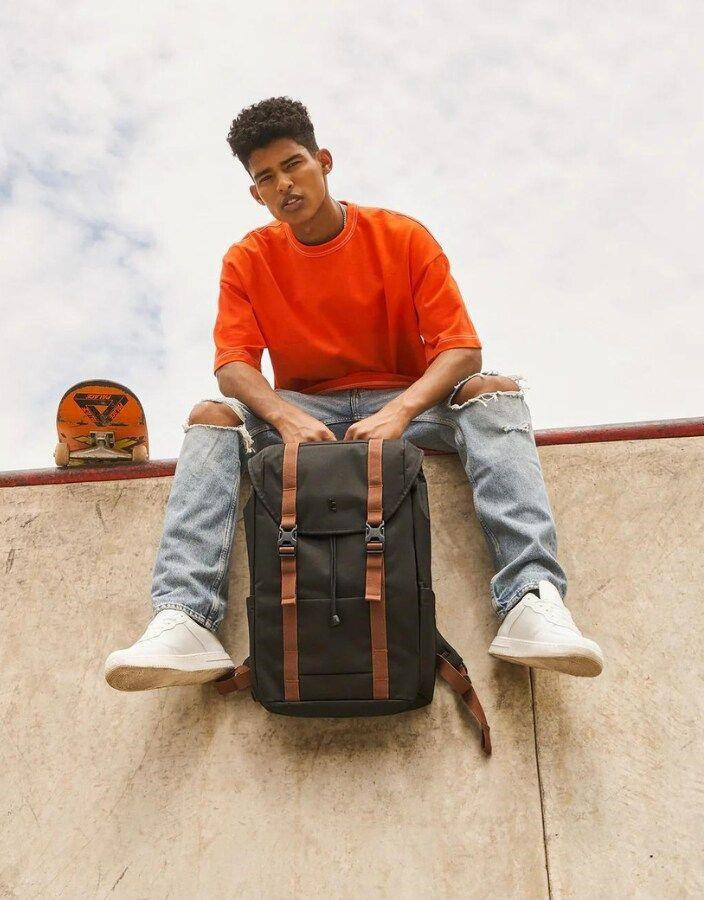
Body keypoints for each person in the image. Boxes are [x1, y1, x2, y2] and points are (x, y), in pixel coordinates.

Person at [104, 96, 604, 692]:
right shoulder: (248, 258)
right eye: (266, 177)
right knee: (211, 416)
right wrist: (284, 418)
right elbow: (233, 367)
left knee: (493, 392)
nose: (284, 185)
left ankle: (531, 601)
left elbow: (462, 351)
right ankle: (185, 616)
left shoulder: (402, 237)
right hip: (306, 410)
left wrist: (400, 410)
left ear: (324, 160)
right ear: (255, 194)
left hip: (407, 401)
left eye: (294, 164)